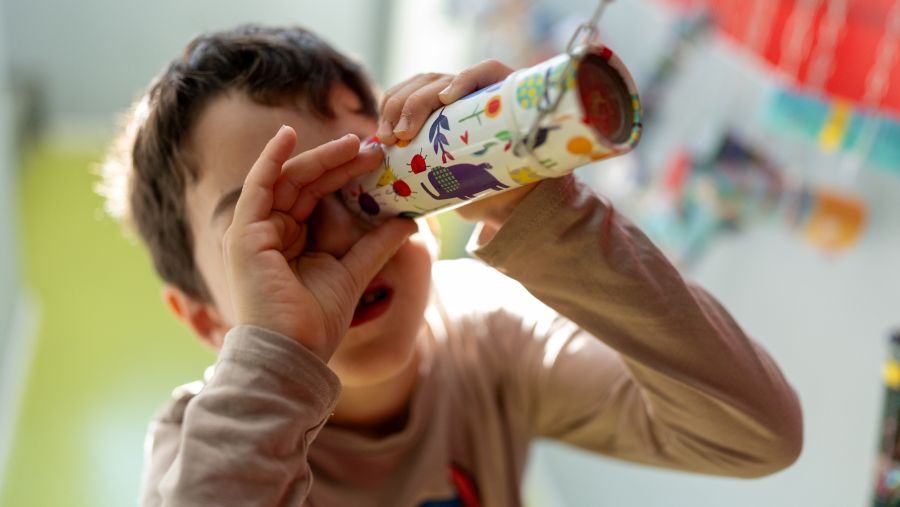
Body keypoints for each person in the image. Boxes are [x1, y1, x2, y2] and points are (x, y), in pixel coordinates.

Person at [100, 24, 803, 507]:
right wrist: (277, 355)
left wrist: (550, 220)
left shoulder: (487, 333)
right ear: (206, 318)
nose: (342, 234)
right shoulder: (211, 442)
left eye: (368, 185)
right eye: (276, 220)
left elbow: (755, 433)